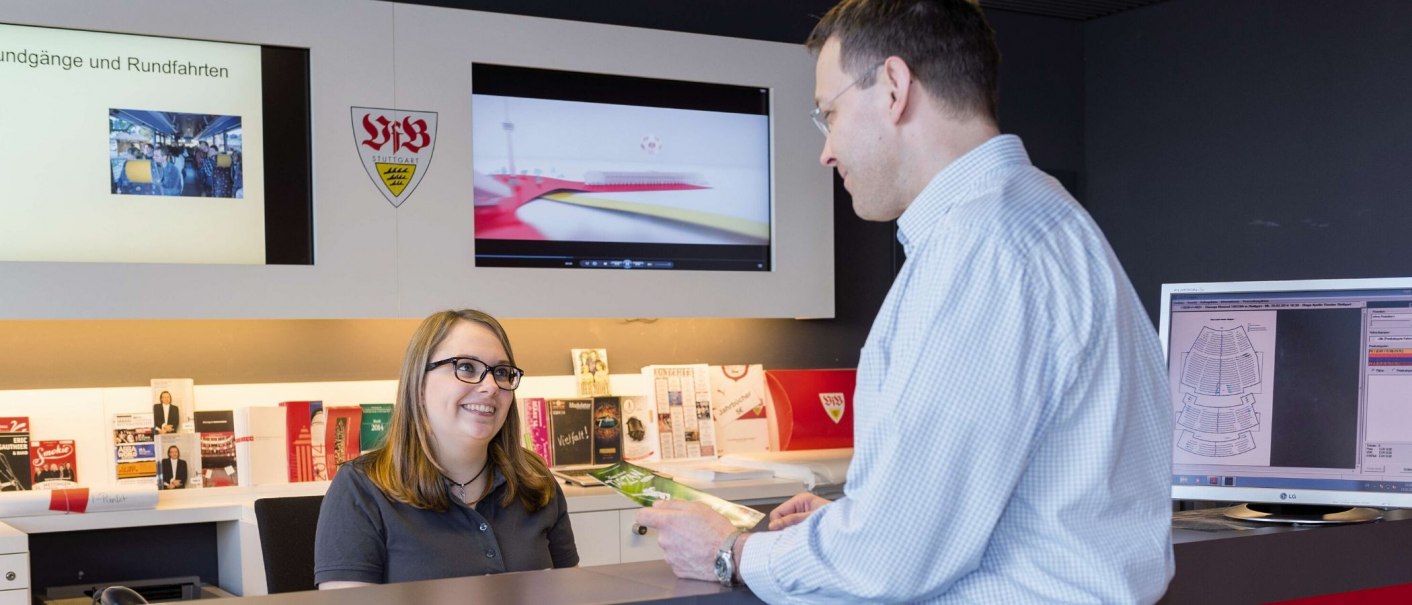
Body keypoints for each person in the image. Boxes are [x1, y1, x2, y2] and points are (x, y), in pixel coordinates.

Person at [634, 1, 1174, 603]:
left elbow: (889, 557)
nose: (826, 151)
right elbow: (981, 498)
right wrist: (859, 514)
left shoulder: (979, 251)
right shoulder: (1048, 221)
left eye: (829, 114)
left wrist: (729, 553)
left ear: (893, 87)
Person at [314, 309, 578, 587]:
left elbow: (574, 594)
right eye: (465, 367)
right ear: (419, 385)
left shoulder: (534, 479)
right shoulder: (361, 489)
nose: (490, 386)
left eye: (501, 372)